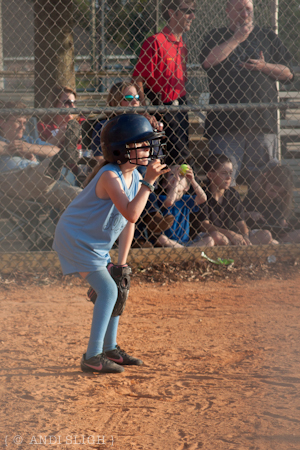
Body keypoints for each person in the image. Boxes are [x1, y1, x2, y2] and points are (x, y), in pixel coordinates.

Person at [53, 114, 169, 374]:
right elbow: (131, 213)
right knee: (108, 291)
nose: (148, 150)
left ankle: (110, 349)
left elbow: (129, 223)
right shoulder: (110, 175)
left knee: (117, 284)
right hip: (76, 239)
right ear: (119, 150)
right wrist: (149, 182)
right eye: (140, 145)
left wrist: (121, 262)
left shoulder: (134, 176)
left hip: (94, 243)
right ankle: (93, 357)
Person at [199, 0, 294, 185]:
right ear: (228, 11)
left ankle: (257, 215)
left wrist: (264, 66)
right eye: (239, 9)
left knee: (265, 184)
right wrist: (236, 39)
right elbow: (207, 62)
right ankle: (224, 214)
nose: (245, 14)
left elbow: (289, 73)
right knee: (223, 181)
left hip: (261, 121)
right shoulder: (217, 35)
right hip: (225, 123)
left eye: (248, 9)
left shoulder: (267, 35)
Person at [91, 81, 174, 242]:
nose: (135, 102)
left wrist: (154, 135)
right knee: (138, 172)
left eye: (137, 97)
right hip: (116, 173)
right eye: (128, 97)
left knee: (142, 171)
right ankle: (152, 217)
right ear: (115, 101)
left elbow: (157, 157)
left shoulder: (144, 125)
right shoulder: (105, 126)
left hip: (141, 173)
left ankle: (140, 238)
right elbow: (100, 159)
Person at [132, 0, 196, 166]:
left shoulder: (182, 45)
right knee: (175, 158)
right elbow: (138, 79)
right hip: (161, 106)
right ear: (171, 12)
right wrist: (145, 109)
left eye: (193, 11)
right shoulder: (155, 41)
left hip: (180, 105)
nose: (192, 16)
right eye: (187, 11)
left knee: (180, 155)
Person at [0, 101, 82, 212]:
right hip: (11, 184)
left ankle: (69, 228)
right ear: (2, 122)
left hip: (41, 186)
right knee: (37, 171)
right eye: (18, 122)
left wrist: (30, 148)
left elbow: (55, 150)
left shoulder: (28, 141)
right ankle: (54, 165)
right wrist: (15, 150)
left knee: (78, 195)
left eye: (24, 123)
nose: (22, 127)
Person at [197, 154, 273, 246]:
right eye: (224, 173)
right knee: (218, 237)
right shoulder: (202, 195)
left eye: (230, 173)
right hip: (215, 236)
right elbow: (204, 226)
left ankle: (239, 248)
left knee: (266, 235)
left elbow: (241, 223)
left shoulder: (233, 194)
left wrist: (245, 237)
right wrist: (230, 233)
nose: (229, 177)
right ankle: (235, 249)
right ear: (210, 175)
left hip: (233, 237)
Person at [154, 164, 213, 248]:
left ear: (186, 187)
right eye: (172, 175)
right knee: (161, 239)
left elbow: (203, 198)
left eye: (181, 175)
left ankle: (186, 250)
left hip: (185, 242)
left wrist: (192, 180)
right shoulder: (162, 198)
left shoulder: (186, 200)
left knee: (209, 240)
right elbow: (170, 202)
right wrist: (177, 182)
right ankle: (187, 252)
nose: (176, 177)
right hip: (169, 241)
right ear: (164, 184)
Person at [243, 163, 300, 243]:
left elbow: (281, 225)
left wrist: (283, 225)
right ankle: (279, 248)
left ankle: (279, 247)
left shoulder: (280, 201)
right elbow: (237, 217)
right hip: (259, 235)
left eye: (280, 193)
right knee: (266, 235)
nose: (275, 195)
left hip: (276, 237)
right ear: (265, 183)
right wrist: (249, 214)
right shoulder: (254, 196)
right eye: (272, 190)